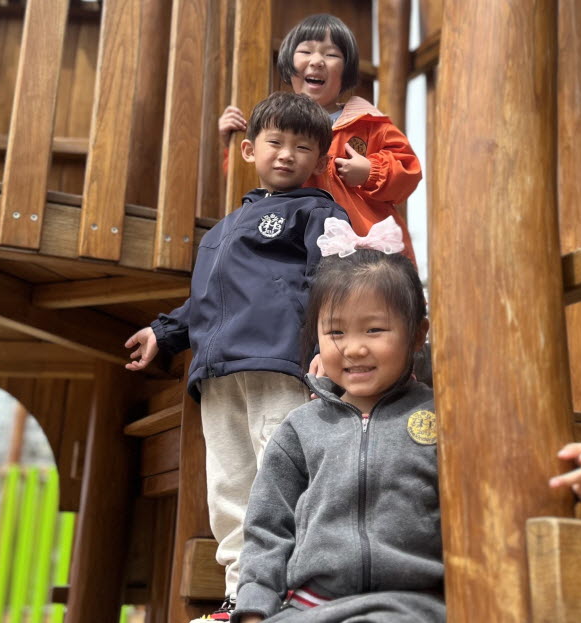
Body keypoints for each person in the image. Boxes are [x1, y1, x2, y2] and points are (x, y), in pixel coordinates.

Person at [124, 92, 350, 622]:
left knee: (283, 477)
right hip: (218, 373)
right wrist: (165, 332)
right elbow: (207, 301)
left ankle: (297, 590)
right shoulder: (225, 228)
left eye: (302, 147)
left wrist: (325, 346)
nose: (287, 154)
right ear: (249, 149)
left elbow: (331, 282)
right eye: (275, 142)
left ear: (318, 161)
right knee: (229, 487)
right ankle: (241, 595)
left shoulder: (318, 212)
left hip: (279, 363)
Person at [232, 217, 445, 623]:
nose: (354, 348)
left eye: (375, 329)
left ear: (418, 336)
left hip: (408, 605)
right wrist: (256, 607)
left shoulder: (440, 418)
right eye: (336, 332)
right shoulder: (300, 429)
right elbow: (268, 528)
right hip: (308, 607)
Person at [219, 13, 421, 265]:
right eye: (306, 51)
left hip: (362, 251)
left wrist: (371, 171)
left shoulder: (369, 123)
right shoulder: (275, 125)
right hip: (296, 246)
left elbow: (409, 171)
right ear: (288, 64)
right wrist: (230, 140)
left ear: (345, 71)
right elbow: (252, 176)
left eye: (331, 54)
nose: (317, 61)